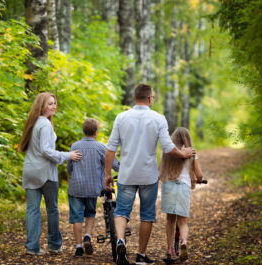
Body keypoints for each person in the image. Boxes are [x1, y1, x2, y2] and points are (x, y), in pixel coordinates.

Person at [104, 84, 196, 265]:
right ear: (150, 99)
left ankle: (121, 240)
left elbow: (110, 148)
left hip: (127, 175)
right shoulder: (158, 118)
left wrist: (107, 173)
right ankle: (141, 255)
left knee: (121, 211)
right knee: (146, 215)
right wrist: (183, 154)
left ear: (133, 98)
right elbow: (168, 148)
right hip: (148, 176)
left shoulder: (121, 117)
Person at [18, 92, 82, 256]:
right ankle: (54, 245)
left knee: (32, 209)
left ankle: (31, 247)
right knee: (52, 209)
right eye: (50, 103)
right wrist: (68, 155)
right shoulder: (45, 124)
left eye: (54, 103)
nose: (53, 106)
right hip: (45, 173)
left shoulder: (33, 122)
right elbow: (46, 151)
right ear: (41, 105)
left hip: (30, 171)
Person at [67, 118, 120, 258]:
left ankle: (78, 247)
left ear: (83, 131)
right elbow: (115, 164)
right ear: (96, 132)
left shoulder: (74, 146)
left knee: (76, 217)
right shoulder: (101, 147)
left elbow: (69, 168)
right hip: (93, 188)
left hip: (76, 188)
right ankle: (87, 237)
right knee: (90, 213)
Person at [159, 127, 205, 262]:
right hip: (183, 186)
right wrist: (200, 179)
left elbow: (160, 169)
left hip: (168, 185)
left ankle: (170, 249)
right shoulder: (192, 152)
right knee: (183, 221)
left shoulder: (167, 151)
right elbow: (199, 175)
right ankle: (183, 242)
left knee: (170, 220)